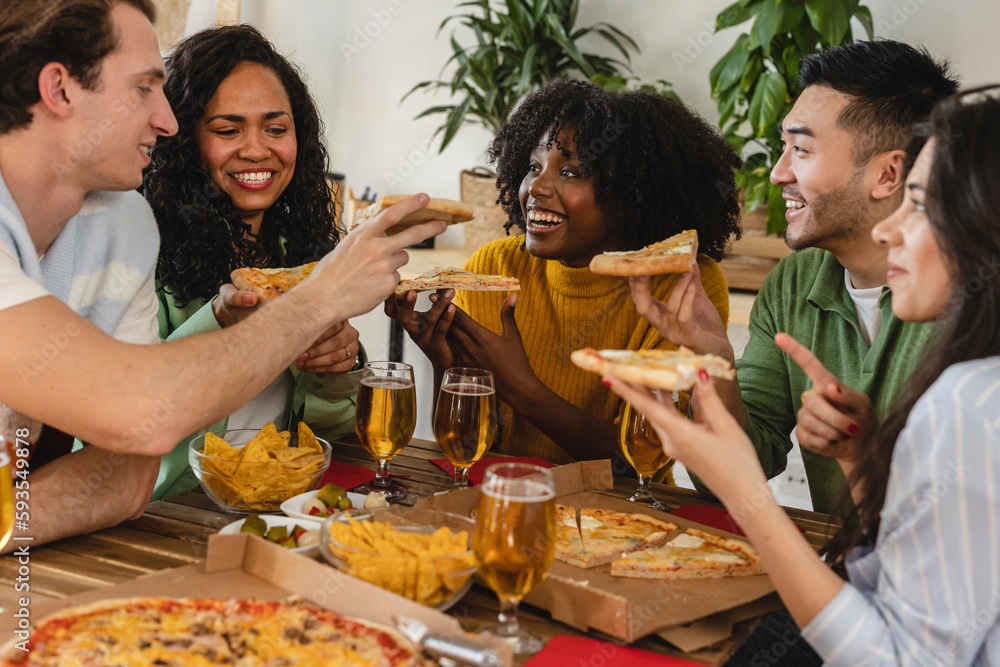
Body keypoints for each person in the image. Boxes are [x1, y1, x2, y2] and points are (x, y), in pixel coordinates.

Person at [0, 0, 443, 549]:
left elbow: (128, 471)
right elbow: (144, 414)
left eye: (275, 127)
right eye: (144, 88)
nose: (165, 122)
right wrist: (317, 299)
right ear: (60, 89)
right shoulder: (148, 230)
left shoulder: (122, 224)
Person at [607, 85, 1000, 666]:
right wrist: (861, 459)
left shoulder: (968, 399)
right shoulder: (795, 284)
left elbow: (903, 657)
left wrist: (749, 499)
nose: (778, 173)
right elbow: (921, 575)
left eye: (921, 202)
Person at [631, 40, 958, 512]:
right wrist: (714, 360)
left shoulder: (972, 293)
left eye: (801, 149)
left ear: (888, 175)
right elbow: (740, 470)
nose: (779, 173)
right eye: (783, 148)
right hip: (837, 569)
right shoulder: (794, 281)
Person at [388, 79, 742, 465]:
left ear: (629, 193)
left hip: (618, 517)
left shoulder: (683, 283)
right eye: (533, 167)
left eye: (571, 172)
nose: (536, 186)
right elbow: (468, 447)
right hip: (503, 501)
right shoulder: (495, 268)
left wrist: (521, 387)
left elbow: (641, 458)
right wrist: (445, 363)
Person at [143, 25, 363, 500]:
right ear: (184, 142)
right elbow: (130, 417)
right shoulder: (141, 248)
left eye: (276, 128)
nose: (257, 149)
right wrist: (219, 322)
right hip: (169, 517)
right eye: (228, 130)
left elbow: (333, 430)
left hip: (276, 505)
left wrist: (335, 370)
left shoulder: (298, 254)